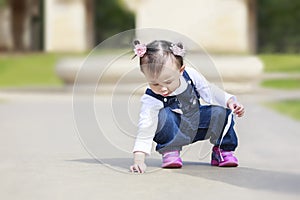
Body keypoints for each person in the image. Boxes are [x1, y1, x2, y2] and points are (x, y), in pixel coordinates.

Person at [130, 40, 245, 173]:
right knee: (162, 115)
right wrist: (139, 160)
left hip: (197, 124)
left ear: (181, 70)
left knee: (222, 113)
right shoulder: (151, 99)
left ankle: (222, 150)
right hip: (173, 129)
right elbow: (146, 127)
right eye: (155, 84)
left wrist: (229, 101)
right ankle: (170, 151)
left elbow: (209, 91)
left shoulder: (190, 75)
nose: (163, 89)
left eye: (168, 81)